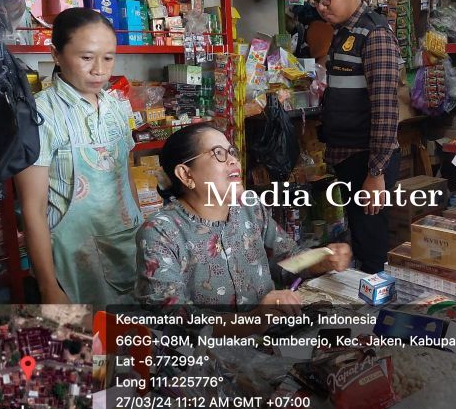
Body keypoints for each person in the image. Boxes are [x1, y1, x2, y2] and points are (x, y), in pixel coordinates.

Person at [135, 123, 352, 310]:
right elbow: (170, 317)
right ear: (186, 174)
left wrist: (321, 260)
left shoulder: (249, 207)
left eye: (232, 152)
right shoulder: (161, 232)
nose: (233, 161)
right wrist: (254, 321)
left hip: (269, 341)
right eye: (219, 153)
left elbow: (287, 260)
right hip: (210, 353)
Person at [15, 8, 141, 308]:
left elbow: (126, 179)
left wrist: (143, 233)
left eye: (108, 57)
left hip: (127, 246)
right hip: (73, 257)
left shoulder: (117, 107)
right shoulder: (40, 114)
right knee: (88, 348)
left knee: (134, 343)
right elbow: (33, 210)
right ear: (56, 54)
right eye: (86, 57)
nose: (99, 69)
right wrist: (48, 287)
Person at [308, 0, 402, 273]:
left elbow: (386, 109)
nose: (320, 7)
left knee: (371, 244)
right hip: (347, 156)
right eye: (315, 0)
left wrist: (375, 175)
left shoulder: (374, 34)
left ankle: (375, 314)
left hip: (368, 161)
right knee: (359, 238)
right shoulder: (344, 32)